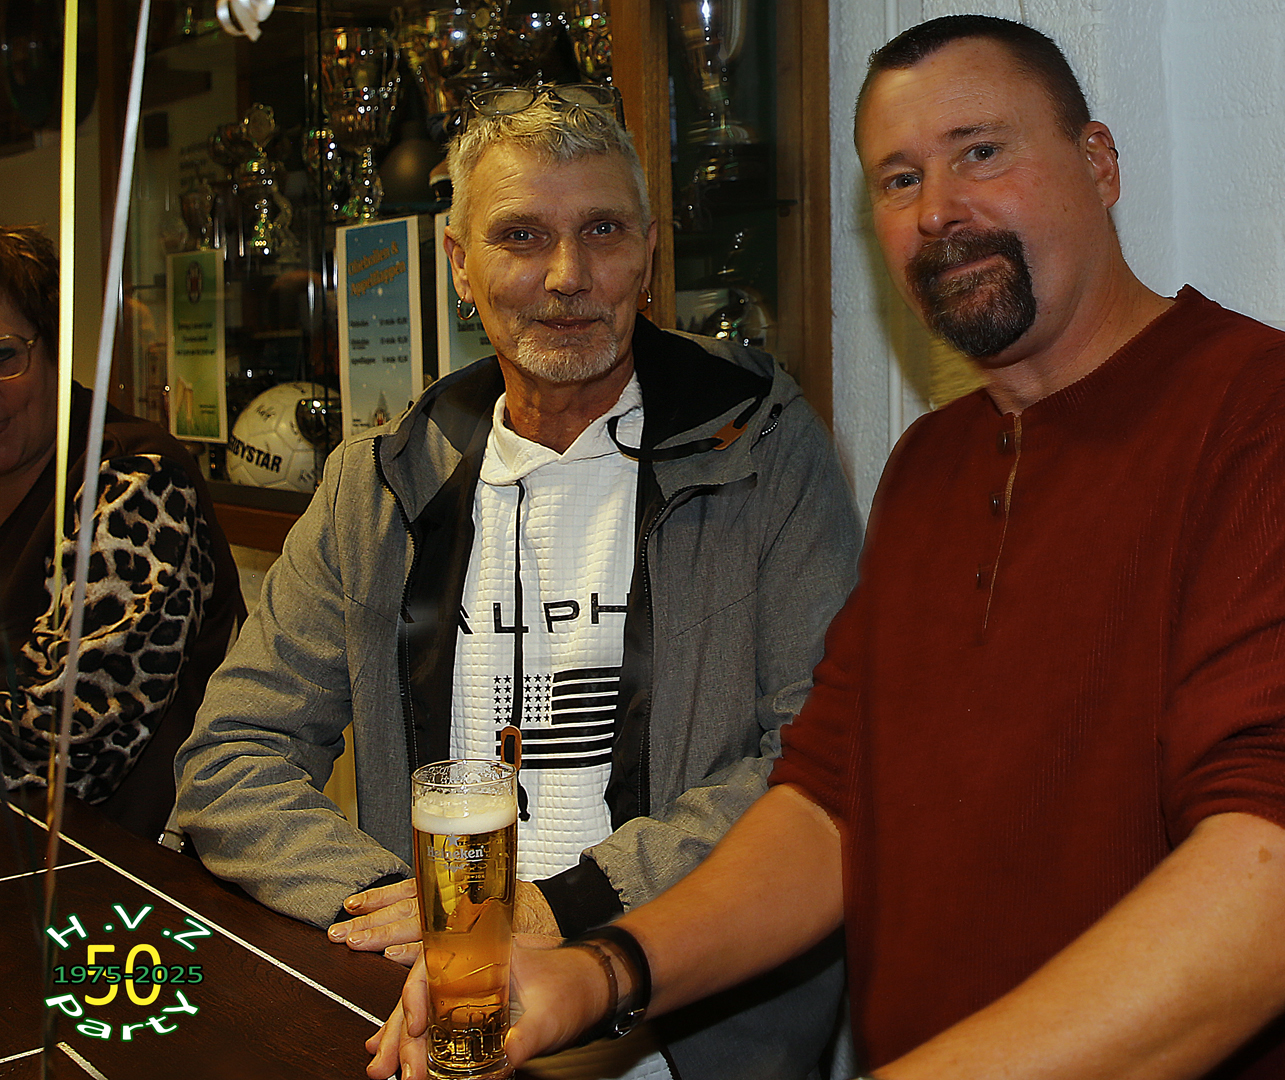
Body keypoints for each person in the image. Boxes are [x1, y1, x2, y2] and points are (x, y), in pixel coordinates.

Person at [370, 15, 1285, 1080]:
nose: (939, 211)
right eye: (899, 179)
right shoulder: (931, 465)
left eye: (982, 152)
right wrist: (601, 974)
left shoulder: (1270, 417)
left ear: (1099, 164)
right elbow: (831, 808)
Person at [174, 84, 861, 1080]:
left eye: (603, 231)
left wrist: (563, 907)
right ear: (459, 262)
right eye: (522, 236)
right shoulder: (380, 480)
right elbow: (234, 752)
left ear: (650, 250)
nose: (567, 276)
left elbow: (819, 758)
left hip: (682, 1030)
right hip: (431, 1023)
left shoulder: (763, 448)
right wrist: (423, 917)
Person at [0, 225, 245, 840]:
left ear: (56, 350)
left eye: (3, 356)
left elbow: (63, 745)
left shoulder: (135, 481)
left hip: (126, 876)